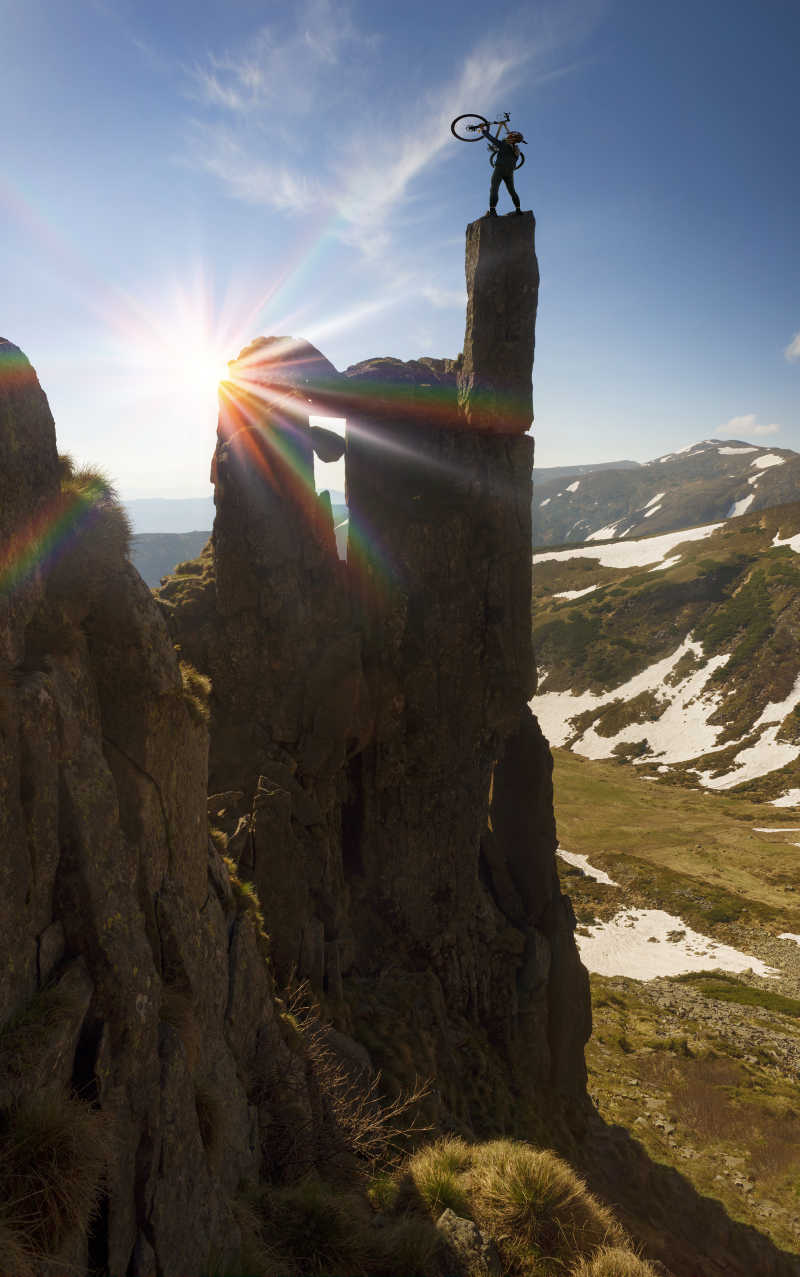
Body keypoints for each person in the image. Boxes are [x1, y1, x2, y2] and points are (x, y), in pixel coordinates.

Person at [480, 125, 525, 216]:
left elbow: (491, 139)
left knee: (494, 189)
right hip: (510, 171)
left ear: (512, 138)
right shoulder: (516, 150)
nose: (508, 136)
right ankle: (518, 210)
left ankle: (492, 210)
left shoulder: (504, 145)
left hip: (500, 169)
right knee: (512, 191)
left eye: (510, 136)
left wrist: (483, 131)